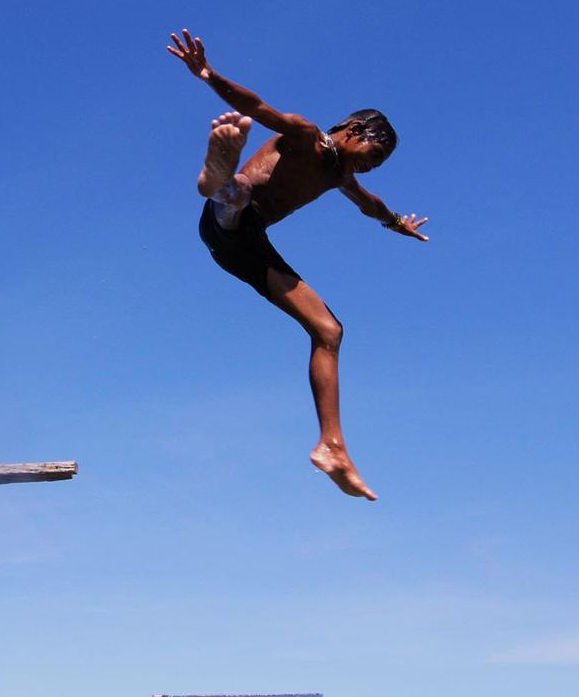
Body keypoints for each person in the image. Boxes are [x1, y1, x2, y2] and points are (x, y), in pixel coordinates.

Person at [167, 28, 428, 501]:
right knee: (241, 194)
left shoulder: (339, 175)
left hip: (244, 247)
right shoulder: (306, 136)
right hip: (228, 222)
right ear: (353, 131)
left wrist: (395, 224)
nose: (371, 167)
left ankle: (333, 446)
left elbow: (369, 204)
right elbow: (257, 106)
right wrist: (207, 74)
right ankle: (219, 178)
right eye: (374, 154)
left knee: (329, 331)